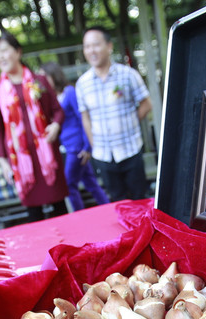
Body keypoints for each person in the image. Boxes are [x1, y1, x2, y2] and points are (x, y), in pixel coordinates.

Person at [0, 33, 69, 222]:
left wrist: (55, 126)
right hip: (21, 159)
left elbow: (58, 111)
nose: (1, 57)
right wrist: (2, 160)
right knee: (34, 214)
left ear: (18, 52)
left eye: (5, 50)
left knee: (59, 207)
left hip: (47, 154)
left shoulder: (39, 80)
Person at [76, 26, 152, 201]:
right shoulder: (82, 83)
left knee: (140, 200)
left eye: (96, 45)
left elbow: (146, 104)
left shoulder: (128, 75)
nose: (91, 50)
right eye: (87, 46)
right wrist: (94, 144)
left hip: (130, 149)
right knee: (117, 203)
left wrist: (130, 122)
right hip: (103, 155)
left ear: (109, 46)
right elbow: (85, 117)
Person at [39, 62, 110, 211]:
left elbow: (82, 118)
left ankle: (79, 215)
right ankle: (108, 209)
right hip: (68, 145)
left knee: (69, 184)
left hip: (76, 146)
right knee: (91, 182)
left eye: (44, 77)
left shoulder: (69, 92)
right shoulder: (51, 98)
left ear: (53, 76)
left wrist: (87, 146)